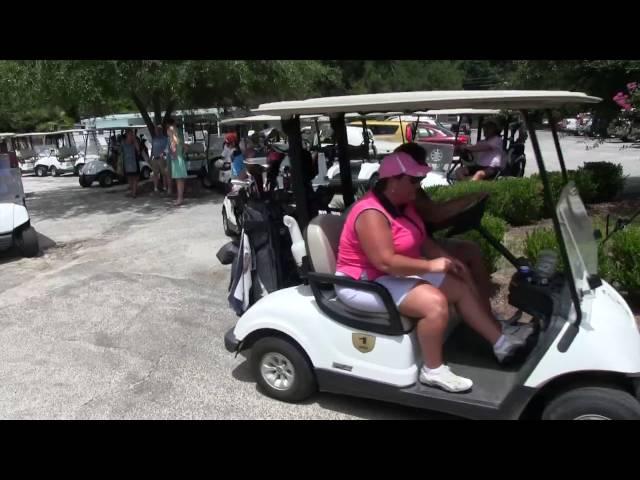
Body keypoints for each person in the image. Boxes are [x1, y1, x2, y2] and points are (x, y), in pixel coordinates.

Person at [334, 151, 532, 393]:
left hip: (389, 276)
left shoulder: (403, 206)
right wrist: (430, 266)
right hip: (362, 282)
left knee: (457, 285)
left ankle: (501, 344)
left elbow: (422, 240)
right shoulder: (371, 213)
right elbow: (385, 262)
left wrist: (445, 259)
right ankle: (433, 370)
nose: (419, 186)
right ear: (393, 181)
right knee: (434, 303)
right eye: (413, 181)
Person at [166, 119, 188, 206]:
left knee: (179, 180)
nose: (167, 131)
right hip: (180, 158)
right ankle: (180, 198)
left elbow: (174, 147)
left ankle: (180, 198)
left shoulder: (173, 139)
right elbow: (183, 146)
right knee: (180, 180)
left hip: (176, 159)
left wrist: (173, 152)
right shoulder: (178, 138)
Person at [121, 129, 141, 198]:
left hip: (132, 162)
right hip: (128, 162)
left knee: (134, 178)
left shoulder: (133, 142)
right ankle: (133, 191)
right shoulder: (124, 142)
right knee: (130, 178)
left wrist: (135, 141)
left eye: (131, 134)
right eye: (130, 134)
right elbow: (138, 151)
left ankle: (134, 192)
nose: (131, 135)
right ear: (127, 134)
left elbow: (138, 151)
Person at [150, 125, 170, 194]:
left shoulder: (165, 139)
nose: (156, 132)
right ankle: (155, 187)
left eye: (158, 130)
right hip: (155, 158)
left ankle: (165, 187)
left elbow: (167, 148)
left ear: (160, 130)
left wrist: (163, 153)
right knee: (155, 174)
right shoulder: (154, 139)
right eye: (156, 130)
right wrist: (151, 157)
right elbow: (152, 149)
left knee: (164, 173)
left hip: (162, 159)